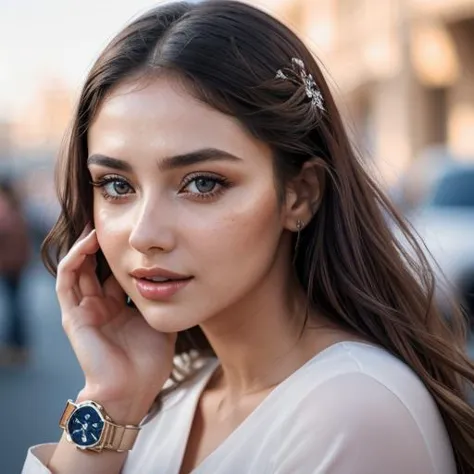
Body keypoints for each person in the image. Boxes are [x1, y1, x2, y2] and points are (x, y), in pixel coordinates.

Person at [22, 1, 474, 473]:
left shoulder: (352, 413)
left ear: (299, 195)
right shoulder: (177, 390)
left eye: (202, 183)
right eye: (117, 186)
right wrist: (110, 398)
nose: (144, 234)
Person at [0, 177, 31, 364]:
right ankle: (17, 346)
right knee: (15, 305)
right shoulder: (17, 207)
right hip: (16, 264)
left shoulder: (6, 209)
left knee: (13, 307)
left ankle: (16, 346)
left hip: (8, 265)